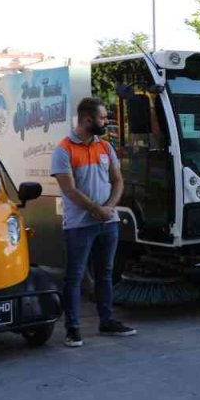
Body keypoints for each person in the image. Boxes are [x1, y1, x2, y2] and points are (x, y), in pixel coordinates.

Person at [51, 97, 137, 348]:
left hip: (107, 222)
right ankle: (73, 328)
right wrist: (94, 209)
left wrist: (108, 208)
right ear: (87, 119)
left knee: (106, 274)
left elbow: (118, 180)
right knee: (75, 276)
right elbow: (69, 189)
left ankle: (107, 320)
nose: (106, 121)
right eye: (102, 118)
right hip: (79, 225)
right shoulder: (64, 149)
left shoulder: (105, 148)